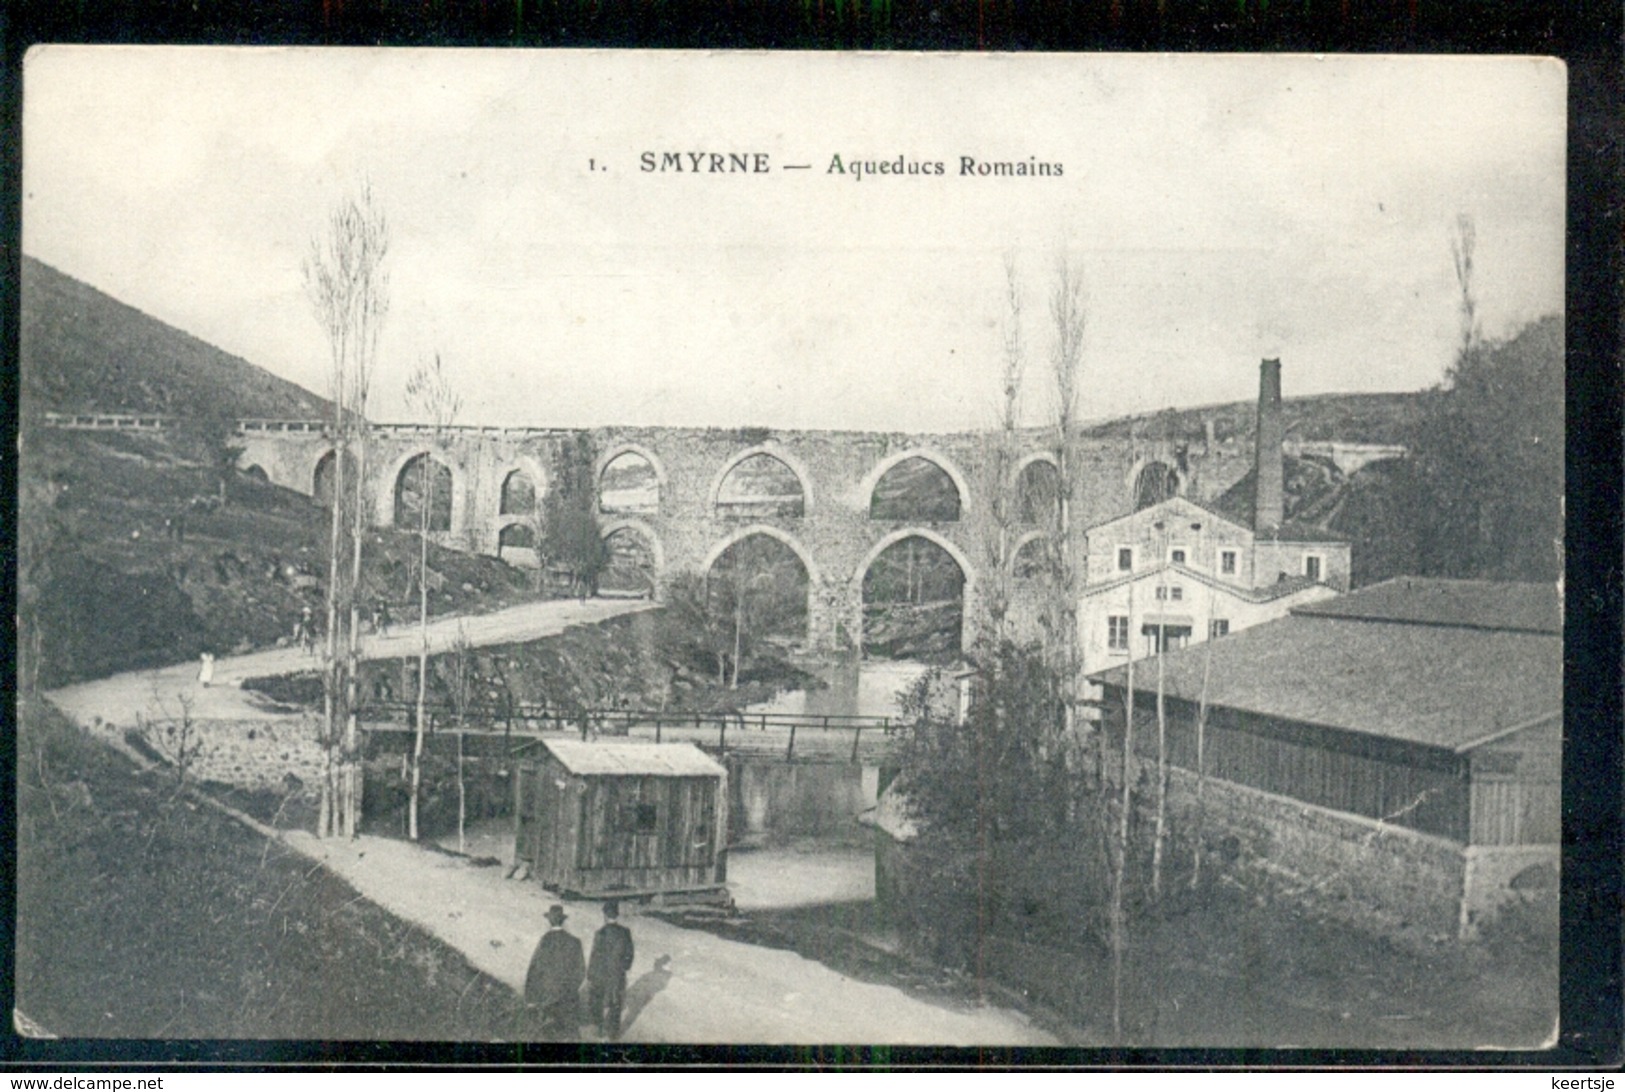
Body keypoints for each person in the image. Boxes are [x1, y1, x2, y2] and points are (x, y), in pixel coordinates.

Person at [524, 904, 584, 1040]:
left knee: (549, 1036)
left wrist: (530, 998)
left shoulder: (545, 941)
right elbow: (581, 971)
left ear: (549, 921)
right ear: (562, 920)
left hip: (547, 997)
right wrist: (571, 989)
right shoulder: (575, 942)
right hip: (569, 997)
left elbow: (534, 970)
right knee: (570, 1035)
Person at [586, 900, 635, 1041]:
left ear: (605, 915)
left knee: (597, 1000)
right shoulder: (625, 932)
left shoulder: (600, 933)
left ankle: (599, 1028)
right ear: (617, 915)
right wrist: (624, 967)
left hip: (601, 973)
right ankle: (612, 1034)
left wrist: (590, 975)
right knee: (616, 1002)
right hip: (617, 974)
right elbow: (630, 953)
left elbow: (594, 956)